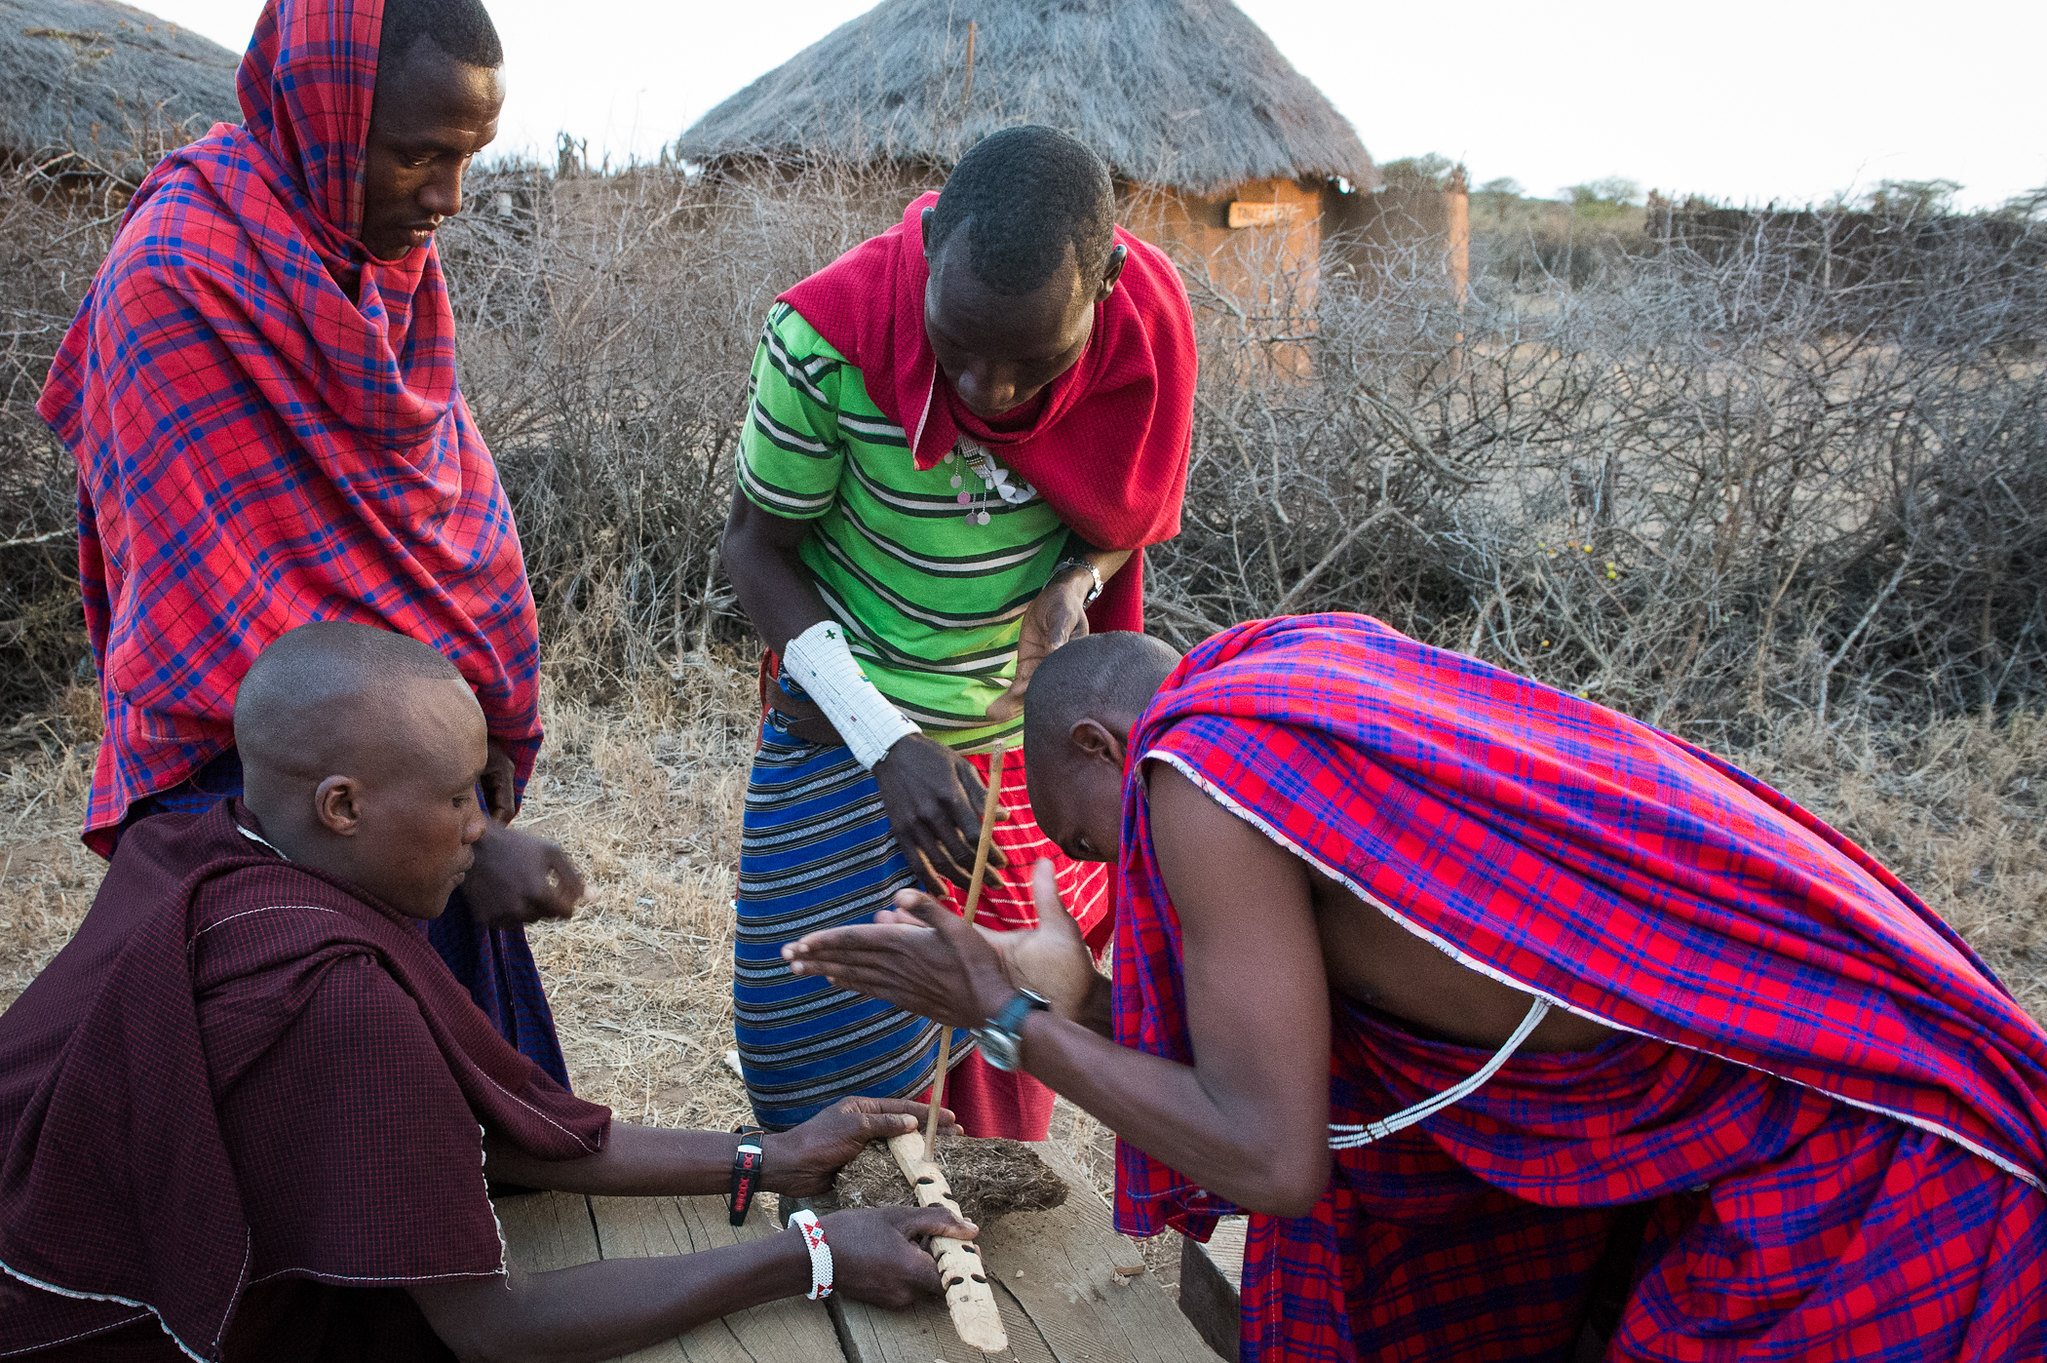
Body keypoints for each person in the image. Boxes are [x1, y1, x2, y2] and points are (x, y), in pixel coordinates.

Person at [785, 615, 2047, 1362]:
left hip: (1868, 1150)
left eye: (1100, 845)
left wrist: (1004, 1019)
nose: (1123, 878)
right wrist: (1069, 1001)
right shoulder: (1286, 665)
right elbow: (1299, 1054)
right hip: (1840, 1057)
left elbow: (1274, 1161)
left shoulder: (1199, 767)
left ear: (1102, 746)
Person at [0, 623, 972, 1362]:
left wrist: (772, 1156)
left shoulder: (196, 845)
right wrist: (808, 1254)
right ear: (342, 806)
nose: (482, 830)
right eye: (463, 796)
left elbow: (479, 1133)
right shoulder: (332, 994)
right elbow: (491, 1324)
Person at [34, 0, 581, 1081]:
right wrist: (447, 832)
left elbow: (436, 524)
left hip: (404, 797)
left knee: (481, 1158)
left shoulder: (380, 267)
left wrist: (450, 807)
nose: (448, 199)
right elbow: (222, 638)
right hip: (257, 812)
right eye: (417, 155)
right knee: (349, 1168)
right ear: (324, 119)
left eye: (468, 158)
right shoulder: (180, 280)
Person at [719, 124, 1197, 1137]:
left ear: (1104, 285)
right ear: (928, 247)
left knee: (1008, 1048)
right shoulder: (824, 338)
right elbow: (755, 550)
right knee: (813, 1047)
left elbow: (1125, 513)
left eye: (1034, 360)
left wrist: (1081, 577)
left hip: (1019, 743)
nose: (992, 391)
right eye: (958, 348)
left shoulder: (1141, 331)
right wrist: (886, 740)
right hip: (843, 726)